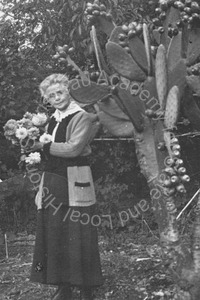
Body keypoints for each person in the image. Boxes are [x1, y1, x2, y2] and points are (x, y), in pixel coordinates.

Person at [30, 73, 103, 300]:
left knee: (78, 233)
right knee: (55, 233)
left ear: (68, 92)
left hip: (75, 180)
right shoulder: (51, 120)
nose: (57, 98)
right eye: (51, 96)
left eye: (60, 92)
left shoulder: (82, 117)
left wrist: (43, 146)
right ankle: (63, 286)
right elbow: (48, 155)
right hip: (52, 181)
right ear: (47, 100)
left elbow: (73, 149)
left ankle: (86, 287)